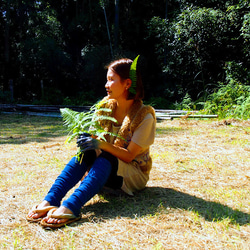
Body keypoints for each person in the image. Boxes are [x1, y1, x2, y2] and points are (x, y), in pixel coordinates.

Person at [26, 57, 156, 228]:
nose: (106, 84)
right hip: (103, 171)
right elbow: (96, 140)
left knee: (106, 157)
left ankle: (71, 207)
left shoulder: (144, 116)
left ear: (127, 84)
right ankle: (50, 200)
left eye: (111, 80)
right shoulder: (104, 107)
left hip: (132, 173)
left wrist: (100, 145)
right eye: (107, 80)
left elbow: (130, 155)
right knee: (87, 151)